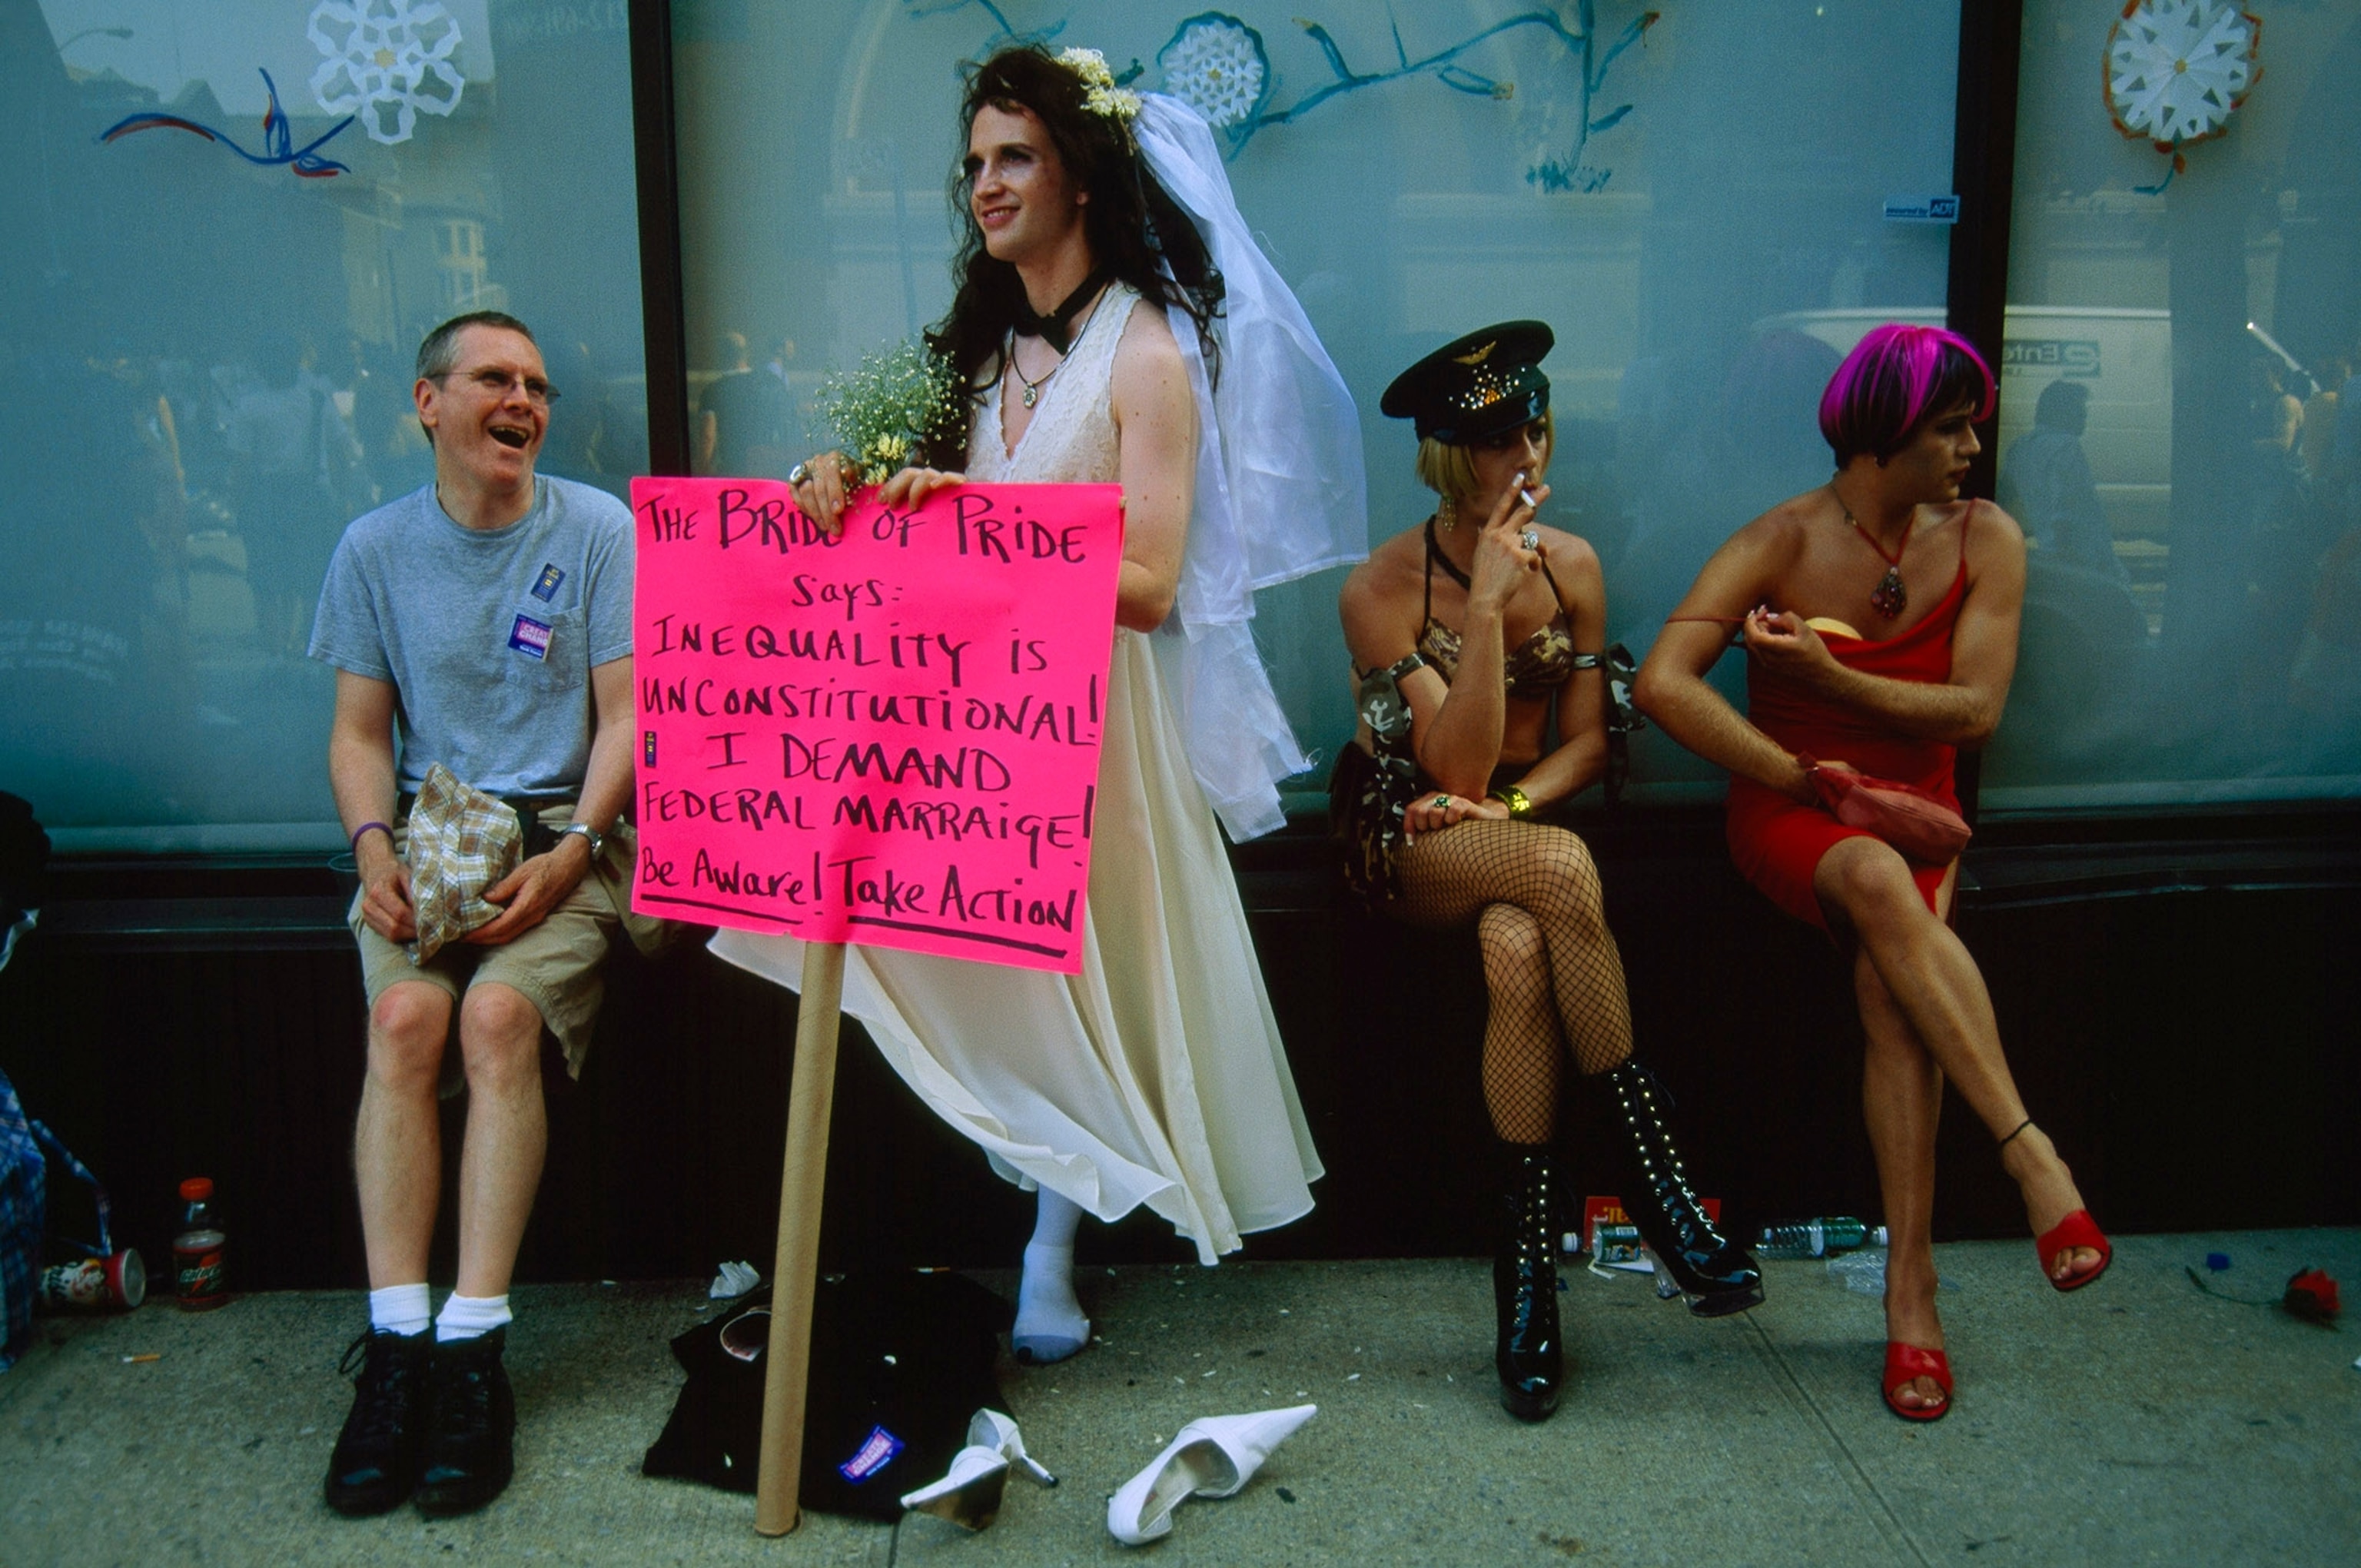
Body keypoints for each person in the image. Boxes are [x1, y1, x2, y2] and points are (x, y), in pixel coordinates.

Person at [716, 46, 1362, 1364]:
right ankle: (1009, 1190)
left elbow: (1156, 578)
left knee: (1074, 977)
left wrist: (977, 523)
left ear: (1079, 173)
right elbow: (898, 502)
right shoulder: (970, 343)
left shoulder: (1149, 351)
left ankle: (1049, 1249)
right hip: (969, 714)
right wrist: (833, 474)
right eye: (973, 165)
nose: (986, 185)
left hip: (1097, 719)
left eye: (1013, 157)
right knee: (939, 949)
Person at [1634, 324, 2110, 1423]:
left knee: (1890, 996)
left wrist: (1832, 681)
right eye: (1951, 428)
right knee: (1881, 886)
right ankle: (2033, 1159)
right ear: (1882, 441)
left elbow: (1976, 714)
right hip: (1796, 810)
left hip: (1918, 813)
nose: (1972, 448)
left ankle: (1913, 1291)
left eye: (1971, 425)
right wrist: (1808, 776)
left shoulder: (1989, 539)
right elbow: (1664, 683)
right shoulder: (1779, 539)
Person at [1333, 323, 1762, 1423]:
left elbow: (1584, 744)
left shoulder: (1573, 565)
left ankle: (1527, 1287)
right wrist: (1478, 605)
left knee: (1522, 943)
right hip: (1410, 835)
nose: (1525, 452)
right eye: (1495, 439)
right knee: (1563, 869)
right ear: (1445, 456)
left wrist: (1514, 808)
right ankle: (1664, 1198)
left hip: (1512, 831)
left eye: (1534, 426)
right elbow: (1452, 765)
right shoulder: (1380, 588)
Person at [308, 310, 637, 1514]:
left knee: (496, 1021)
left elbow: (628, 719)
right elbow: (357, 734)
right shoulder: (373, 549)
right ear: (427, 402)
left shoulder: (597, 531)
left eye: (539, 387)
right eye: (495, 380)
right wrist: (372, 849)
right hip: (424, 846)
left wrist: (577, 852)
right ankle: (395, 1348)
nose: (524, 402)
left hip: (563, 845)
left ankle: (472, 1353)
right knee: (406, 1028)